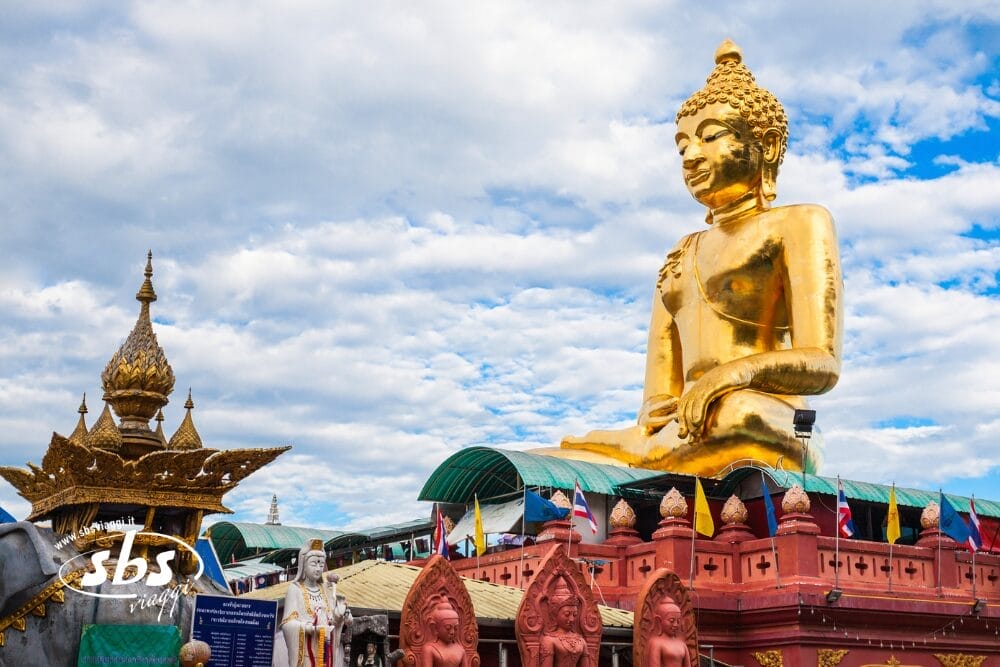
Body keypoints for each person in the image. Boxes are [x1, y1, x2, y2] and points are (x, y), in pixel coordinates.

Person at [560, 40, 843, 476]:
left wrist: (729, 376)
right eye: (682, 146)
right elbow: (659, 392)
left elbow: (822, 363)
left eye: (711, 137)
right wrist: (656, 408)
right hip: (686, 428)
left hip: (768, 418)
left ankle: (625, 454)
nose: (692, 156)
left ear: (765, 145)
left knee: (738, 415)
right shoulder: (680, 252)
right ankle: (615, 453)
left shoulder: (799, 223)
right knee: (555, 457)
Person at [281, 539, 349, 667]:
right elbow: (287, 624)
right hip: (307, 652)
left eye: (321, 564)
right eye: (314, 564)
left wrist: (339, 616)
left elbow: (332, 621)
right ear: (303, 565)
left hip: (325, 651)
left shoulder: (326, 590)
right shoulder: (295, 589)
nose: (318, 569)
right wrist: (311, 629)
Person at [538, 578, 590, 667]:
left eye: (574, 614)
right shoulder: (549, 640)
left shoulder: (581, 640)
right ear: (555, 615)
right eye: (567, 614)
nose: (572, 619)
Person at [420, 600, 467, 667]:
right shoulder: (429, 649)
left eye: (455, 628)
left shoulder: (460, 650)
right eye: (448, 628)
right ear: (435, 628)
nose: (452, 632)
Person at [644, 599, 690, 667]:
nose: (675, 624)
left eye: (678, 621)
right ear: (659, 621)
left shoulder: (682, 644)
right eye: (671, 621)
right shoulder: (656, 643)